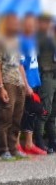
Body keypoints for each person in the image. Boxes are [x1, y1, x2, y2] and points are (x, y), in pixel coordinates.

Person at [0, 13, 29, 160]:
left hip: (19, 83)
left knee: (17, 118)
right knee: (4, 117)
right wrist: (1, 87)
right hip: (7, 82)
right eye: (12, 22)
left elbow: (20, 65)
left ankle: (14, 148)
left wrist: (26, 85)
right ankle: (2, 149)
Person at [19, 13, 47, 155]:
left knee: (32, 113)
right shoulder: (21, 40)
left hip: (35, 80)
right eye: (29, 24)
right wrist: (26, 84)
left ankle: (29, 143)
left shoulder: (32, 40)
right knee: (21, 113)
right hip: (27, 82)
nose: (32, 26)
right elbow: (20, 65)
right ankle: (17, 144)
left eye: (33, 24)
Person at [36, 14, 56, 153]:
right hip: (46, 75)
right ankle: (39, 141)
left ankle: (52, 141)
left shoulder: (50, 37)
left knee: (53, 113)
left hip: (53, 75)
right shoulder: (38, 38)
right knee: (45, 111)